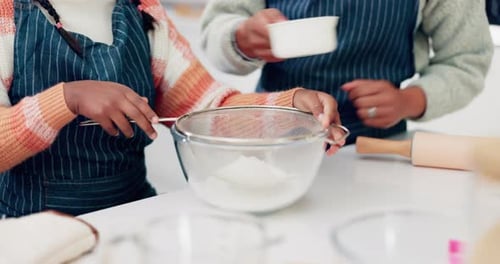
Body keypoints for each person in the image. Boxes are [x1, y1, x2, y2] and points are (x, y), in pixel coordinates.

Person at [0, 0, 344, 217]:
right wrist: (66, 98)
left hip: (135, 216)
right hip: (35, 231)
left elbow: (211, 110)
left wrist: (291, 108)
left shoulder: (146, 12)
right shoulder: (6, 16)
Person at [200, 0, 494, 144]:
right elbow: (215, 33)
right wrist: (240, 39)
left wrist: (410, 100)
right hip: (272, 143)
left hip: (377, 151)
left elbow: (467, 60)